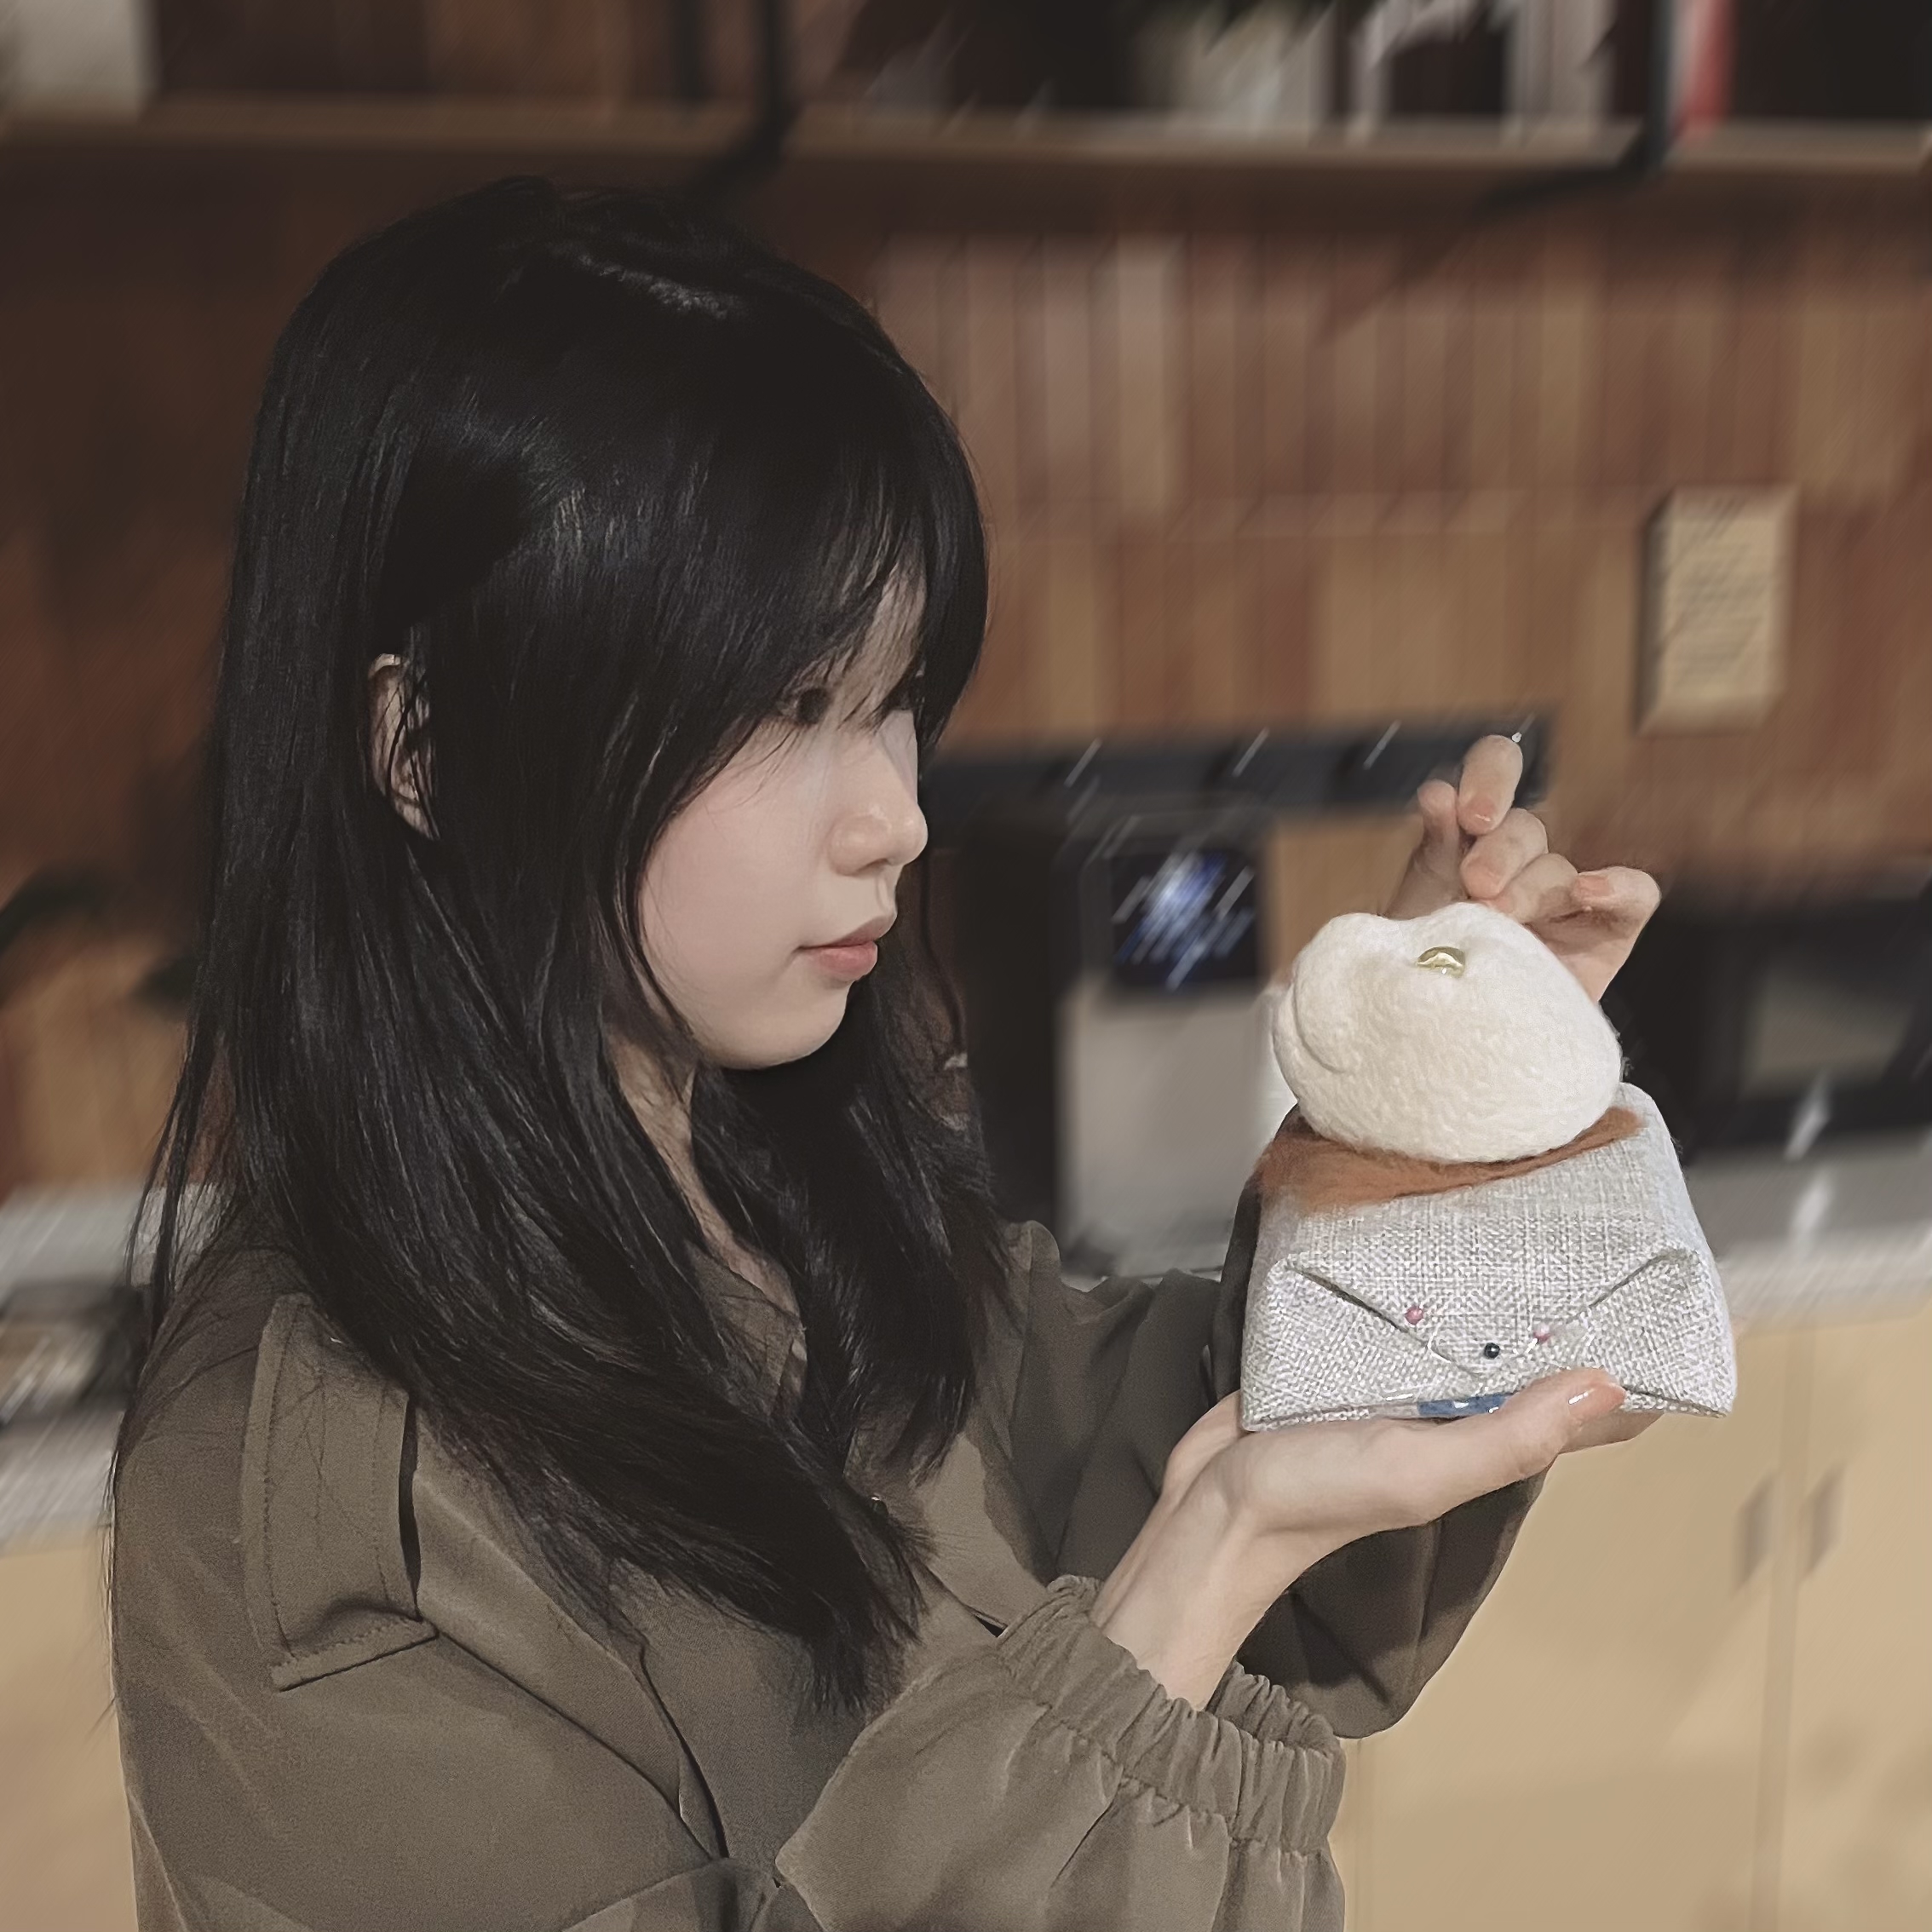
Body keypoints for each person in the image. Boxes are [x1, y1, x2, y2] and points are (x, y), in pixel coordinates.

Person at [109, 178, 1662, 1932]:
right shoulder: (311, 1517)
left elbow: (1129, 1452)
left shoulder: (776, 1181)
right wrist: (1188, 1584)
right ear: (426, 746)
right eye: (784, 713)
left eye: (900, 697)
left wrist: (1414, 1111)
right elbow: (1182, 1542)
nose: (897, 817)